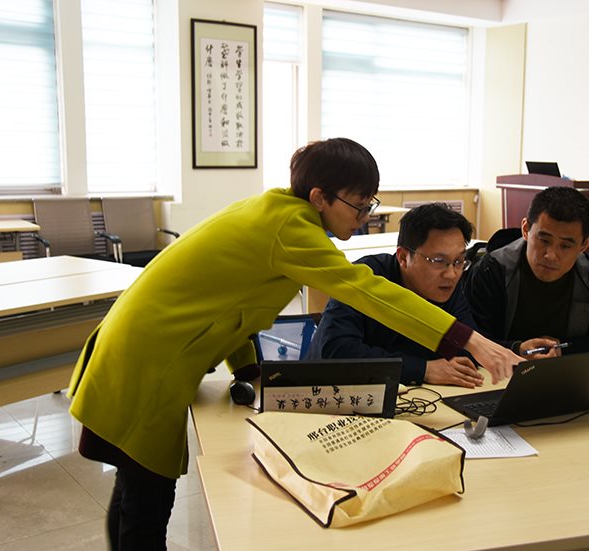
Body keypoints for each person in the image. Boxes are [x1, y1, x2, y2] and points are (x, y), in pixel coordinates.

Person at [66, 138, 523, 550]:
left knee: (132, 487)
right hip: (147, 363)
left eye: (369, 204)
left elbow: (230, 302)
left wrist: (247, 370)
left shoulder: (275, 213)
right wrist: (468, 339)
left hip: (137, 349)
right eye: (358, 205)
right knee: (146, 500)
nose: (364, 217)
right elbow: (365, 290)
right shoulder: (291, 229)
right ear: (320, 197)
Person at [465, 186, 589, 363]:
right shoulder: (493, 271)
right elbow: (466, 342)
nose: (551, 255)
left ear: (585, 244)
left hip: (571, 379)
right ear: (526, 229)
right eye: (544, 240)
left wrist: (566, 349)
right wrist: (516, 349)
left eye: (565, 246)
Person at [307, 203, 483, 388]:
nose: (452, 274)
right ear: (403, 257)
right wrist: (423, 369)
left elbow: (469, 349)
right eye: (439, 261)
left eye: (459, 261)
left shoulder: (445, 285)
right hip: (330, 394)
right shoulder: (364, 278)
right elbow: (337, 351)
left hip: (415, 394)